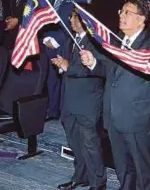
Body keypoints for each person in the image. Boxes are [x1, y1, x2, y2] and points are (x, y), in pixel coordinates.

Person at [80, 0, 150, 190]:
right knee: (122, 166)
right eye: (121, 11)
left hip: (139, 117)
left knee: (143, 168)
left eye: (127, 12)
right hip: (114, 114)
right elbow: (109, 71)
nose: (121, 15)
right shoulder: (116, 40)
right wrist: (93, 63)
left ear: (141, 19)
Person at [52, 10, 106, 190]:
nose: (72, 20)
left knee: (91, 145)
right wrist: (62, 65)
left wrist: (69, 67)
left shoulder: (96, 41)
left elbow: (95, 70)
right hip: (69, 102)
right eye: (71, 17)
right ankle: (80, 176)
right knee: (75, 142)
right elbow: (70, 67)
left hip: (87, 102)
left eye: (76, 17)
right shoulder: (71, 40)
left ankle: (98, 183)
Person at [44, 0, 87, 120]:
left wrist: (57, 40)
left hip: (66, 44)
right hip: (47, 43)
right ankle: (52, 111)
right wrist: (46, 38)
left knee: (65, 80)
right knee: (50, 80)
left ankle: (64, 112)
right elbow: (42, 21)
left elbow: (77, 24)